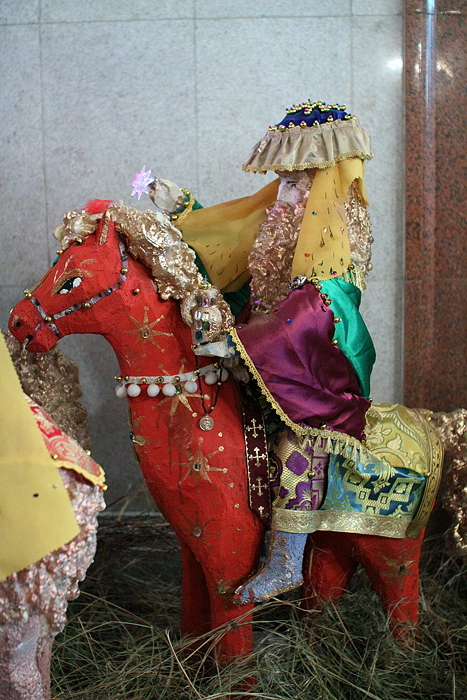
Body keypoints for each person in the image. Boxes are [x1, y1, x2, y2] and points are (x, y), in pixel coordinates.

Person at [149, 101, 376, 602]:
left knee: (300, 442)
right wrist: (185, 210)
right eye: (283, 182)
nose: (281, 195)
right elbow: (233, 254)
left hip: (315, 371)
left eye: (294, 185)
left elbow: (315, 312)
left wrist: (239, 343)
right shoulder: (285, 226)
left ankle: (286, 561)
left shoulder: (335, 248)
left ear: (322, 189)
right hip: (265, 358)